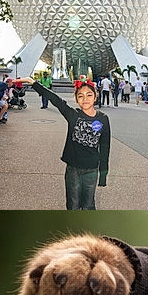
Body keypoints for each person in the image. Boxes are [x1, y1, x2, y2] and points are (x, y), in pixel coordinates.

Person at [30, 79, 110, 210]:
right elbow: (55, 100)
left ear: (95, 97)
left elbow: (105, 146)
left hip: (92, 169)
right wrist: (33, 83)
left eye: (89, 95)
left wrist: (103, 173)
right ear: (77, 100)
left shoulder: (103, 119)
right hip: (73, 168)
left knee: (88, 204)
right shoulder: (73, 115)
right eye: (80, 96)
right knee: (73, 203)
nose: (85, 99)